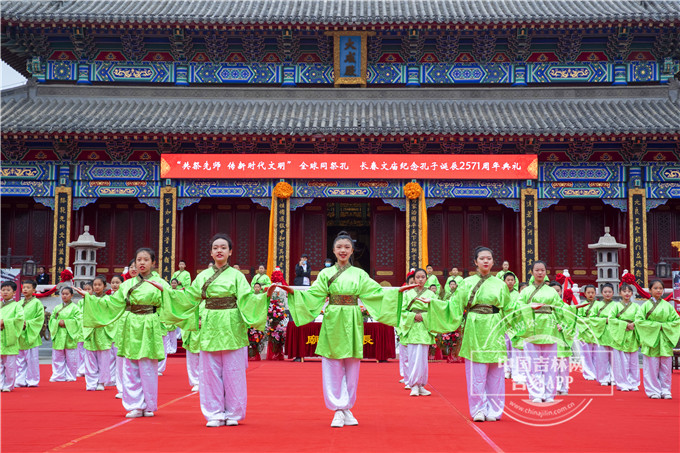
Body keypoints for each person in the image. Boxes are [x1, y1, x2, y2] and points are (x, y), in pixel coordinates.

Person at [282, 231, 413, 428]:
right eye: (339, 247)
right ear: (333, 250)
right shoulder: (326, 273)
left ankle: (347, 408)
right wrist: (292, 292)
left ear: (352, 250)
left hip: (353, 318)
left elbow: (376, 293)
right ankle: (337, 409)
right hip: (333, 318)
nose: (343, 250)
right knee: (332, 364)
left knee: (352, 366)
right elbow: (313, 295)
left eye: (347, 247)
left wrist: (397, 291)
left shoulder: (360, 274)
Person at [164, 233, 269, 427]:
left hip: (232, 324)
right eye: (215, 248)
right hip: (211, 324)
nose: (219, 250)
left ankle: (234, 413)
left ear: (230, 251)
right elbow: (188, 298)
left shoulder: (237, 276)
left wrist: (263, 298)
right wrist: (167, 292)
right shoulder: (203, 276)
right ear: (211, 253)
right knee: (210, 372)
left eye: (223, 247)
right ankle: (214, 413)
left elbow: (246, 300)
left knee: (233, 371)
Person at [79, 248, 192, 418]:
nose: (141, 263)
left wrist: (166, 291)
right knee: (131, 366)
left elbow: (175, 301)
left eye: (146, 259)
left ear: (153, 263)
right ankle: (134, 405)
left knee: (148, 366)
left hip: (150, 322)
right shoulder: (127, 285)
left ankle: (148, 405)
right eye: (139, 259)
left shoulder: (161, 283)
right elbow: (112, 304)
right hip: (131, 323)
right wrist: (90, 299)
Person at [427, 247, 515, 422]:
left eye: (489, 258)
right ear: (475, 262)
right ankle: (478, 410)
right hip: (475, 326)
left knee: (496, 374)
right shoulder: (466, 283)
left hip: (495, 326)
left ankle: (495, 410)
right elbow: (453, 306)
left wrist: (514, 327)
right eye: (482, 258)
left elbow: (510, 308)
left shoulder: (500, 284)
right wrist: (432, 303)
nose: (485, 261)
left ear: (493, 261)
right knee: (477, 372)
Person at [518, 261, 571, 403]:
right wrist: (529, 307)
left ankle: (549, 394)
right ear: (532, 272)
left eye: (542, 270)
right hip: (531, 327)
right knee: (533, 363)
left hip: (549, 327)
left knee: (550, 364)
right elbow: (517, 308)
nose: (540, 272)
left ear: (546, 272)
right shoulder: (526, 291)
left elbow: (560, 309)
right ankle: (536, 393)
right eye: (537, 270)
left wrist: (563, 324)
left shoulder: (552, 291)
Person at [400, 268, 447, 397]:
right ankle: (413, 384)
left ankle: (421, 385)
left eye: (422, 277)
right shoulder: (408, 294)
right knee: (413, 357)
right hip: (413, 327)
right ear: (414, 279)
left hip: (425, 327)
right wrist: (413, 316)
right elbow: (401, 311)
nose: (420, 279)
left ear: (426, 279)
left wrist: (424, 317)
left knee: (422, 359)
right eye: (418, 277)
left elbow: (436, 310)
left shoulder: (431, 295)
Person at [635, 280, 680, 399]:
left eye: (661, 288)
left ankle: (666, 390)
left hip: (664, 338)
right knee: (651, 366)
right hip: (651, 339)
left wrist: (663, 326)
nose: (658, 290)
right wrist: (657, 326)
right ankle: (653, 390)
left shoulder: (667, 306)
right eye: (655, 288)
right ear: (650, 290)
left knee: (665, 366)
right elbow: (639, 321)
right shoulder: (645, 305)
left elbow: (676, 321)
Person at [81, 276, 113, 391]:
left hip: (103, 331)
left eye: (99, 285)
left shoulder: (108, 300)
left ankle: (102, 382)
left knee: (103, 359)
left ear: (104, 286)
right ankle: (91, 382)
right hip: (91, 331)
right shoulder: (89, 299)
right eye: (95, 285)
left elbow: (111, 316)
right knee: (90, 359)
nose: (97, 287)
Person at [608, 284, 641, 392]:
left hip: (632, 333)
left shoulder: (636, 307)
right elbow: (611, 319)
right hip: (620, 334)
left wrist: (633, 325)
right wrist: (624, 325)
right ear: (620, 293)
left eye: (629, 291)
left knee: (633, 361)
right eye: (624, 291)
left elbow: (640, 319)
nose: (627, 293)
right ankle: (622, 383)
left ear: (632, 293)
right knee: (620, 361)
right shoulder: (616, 306)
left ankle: (634, 382)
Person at [587, 283, 618, 386]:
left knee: (614, 358)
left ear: (613, 293)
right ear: (601, 293)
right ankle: (604, 378)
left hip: (614, 333)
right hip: (602, 333)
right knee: (602, 358)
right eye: (605, 292)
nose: (607, 294)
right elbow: (592, 318)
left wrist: (612, 321)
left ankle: (614, 378)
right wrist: (605, 320)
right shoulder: (597, 305)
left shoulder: (617, 305)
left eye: (609, 292)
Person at [49, 287, 82, 382]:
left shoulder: (75, 308)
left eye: (67, 294)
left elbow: (78, 320)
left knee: (71, 357)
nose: (64, 296)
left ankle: (71, 375)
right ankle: (58, 375)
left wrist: (66, 323)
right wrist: (57, 322)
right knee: (57, 356)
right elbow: (52, 319)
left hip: (69, 334)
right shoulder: (57, 307)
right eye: (63, 294)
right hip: (59, 333)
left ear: (71, 295)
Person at [16, 279, 43, 387]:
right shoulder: (18, 303)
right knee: (19, 359)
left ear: (34, 289)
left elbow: (40, 319)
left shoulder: (37, 303)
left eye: (28, 287)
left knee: (32, 360)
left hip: (31, 334)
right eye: (24, 287)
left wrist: (27, 323)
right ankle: (20, 380)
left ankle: (32, 380)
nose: (25, 289)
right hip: (19, 334)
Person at [1, 281, 25, 392]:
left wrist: (4, 322)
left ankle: (9, 385)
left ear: (14, 292)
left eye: (8, 290)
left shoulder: (17, 306)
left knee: (9, 364)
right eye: (3, 290)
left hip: (9, 337)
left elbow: (19, 320)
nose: (5, 292)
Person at [501, 272, 522, 381]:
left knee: (515, 349)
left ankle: (515, 371)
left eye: (511, 280)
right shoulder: (501, 294)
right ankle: (506, 370)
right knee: (504, 349)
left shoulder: (518, 295)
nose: (510, 282)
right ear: (504, 281)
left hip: (514, 326)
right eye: (508, 280)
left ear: (515, 282)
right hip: (504, 325)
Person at [575, 285, 598, 381]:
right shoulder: (581, 305)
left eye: (592, 292)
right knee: (586, 355)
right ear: (584, 294)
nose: (591, 294)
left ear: (595, 293)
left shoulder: (599, 305)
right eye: (588, 293)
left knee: (597, 355)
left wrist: (593, 321)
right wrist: (591, 321)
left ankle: (597, 372)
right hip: (585, 332)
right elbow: (579, 318)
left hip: (596, 332)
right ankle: (588, 373)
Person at [398, 269, 416, 387]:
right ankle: (406, 377)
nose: (413, 284)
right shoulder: (404, 295)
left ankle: (414, 378)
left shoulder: (423, 294)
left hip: (416, 327)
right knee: (404, 355)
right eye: (411, 282)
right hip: (404, 326)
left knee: (414, 355)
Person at [109, 274, 125, 397]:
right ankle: (111, 379)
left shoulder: (125, 297)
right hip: (109, 330)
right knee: (110, 358)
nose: (114, 284)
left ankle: (122, 387)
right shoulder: (109, 297)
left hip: (121, 330)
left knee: (121, 360)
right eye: (113, 282)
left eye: (117, 282)